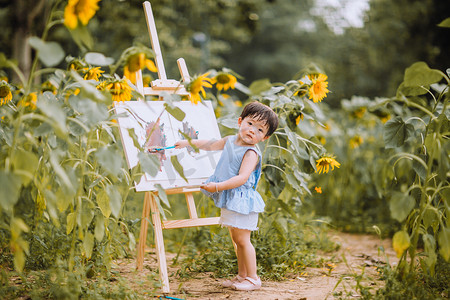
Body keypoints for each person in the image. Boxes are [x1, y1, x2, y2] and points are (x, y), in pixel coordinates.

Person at [175, 101, 278, 291]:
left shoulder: (250, 152)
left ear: (264, 137)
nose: (252, 131)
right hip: (231, 198)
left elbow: (241, 178)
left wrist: (217, 186)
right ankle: (242, 276)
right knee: (237, 239)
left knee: (243, 240)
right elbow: (210, 144)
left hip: (242, 200)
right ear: (240, 121)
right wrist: (187, 143)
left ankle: (253, 278)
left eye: (260, 130)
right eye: (250, 124)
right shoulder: (230, 140)